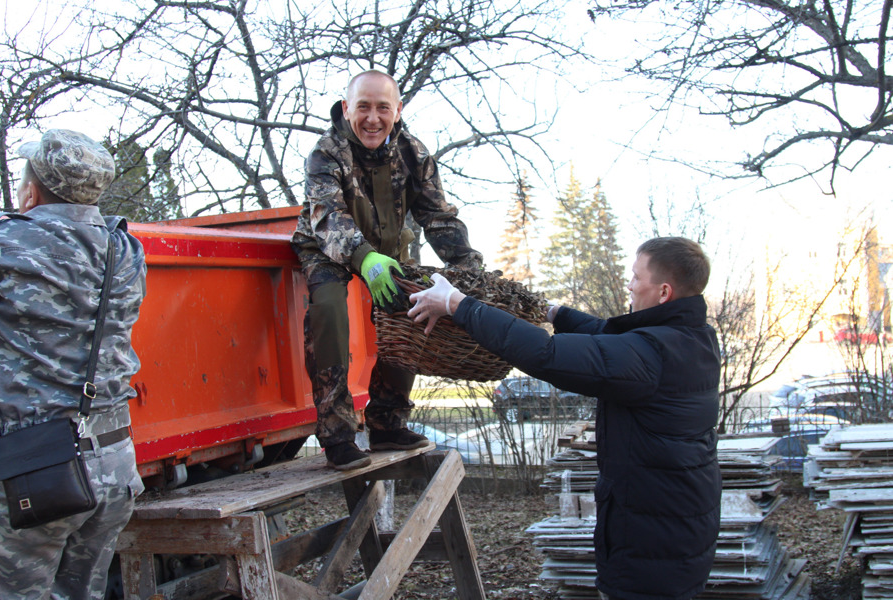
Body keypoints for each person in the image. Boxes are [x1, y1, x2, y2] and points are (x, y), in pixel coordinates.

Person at [409, 237, 722, 600]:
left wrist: (459, 305)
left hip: (652, 542)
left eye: (636, 277)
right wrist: (555, 313)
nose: (630, 285)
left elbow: (546, 354)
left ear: (664, 291)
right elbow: (609, 338)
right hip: (677, 523)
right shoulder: (693, 338)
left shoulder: (651, 353)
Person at [292, 70, 483, 470]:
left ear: (398, 110)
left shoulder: (414, 153)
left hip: (390, 250)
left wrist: (468, 268)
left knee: (414, 308)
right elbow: (327, 216)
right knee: (328, 309)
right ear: (347, 109)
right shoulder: (326, 153)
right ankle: (337, 434)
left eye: (383, 107)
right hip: (327, 247)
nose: (372, 118)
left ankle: (387, 421)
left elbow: (438, 217)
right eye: (363, 107)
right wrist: (363, 258)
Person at [0, 129, 147, 599]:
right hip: (114, 463)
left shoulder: (6, 244)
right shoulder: (126, 251)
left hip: (37, 465)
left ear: (32, 189)